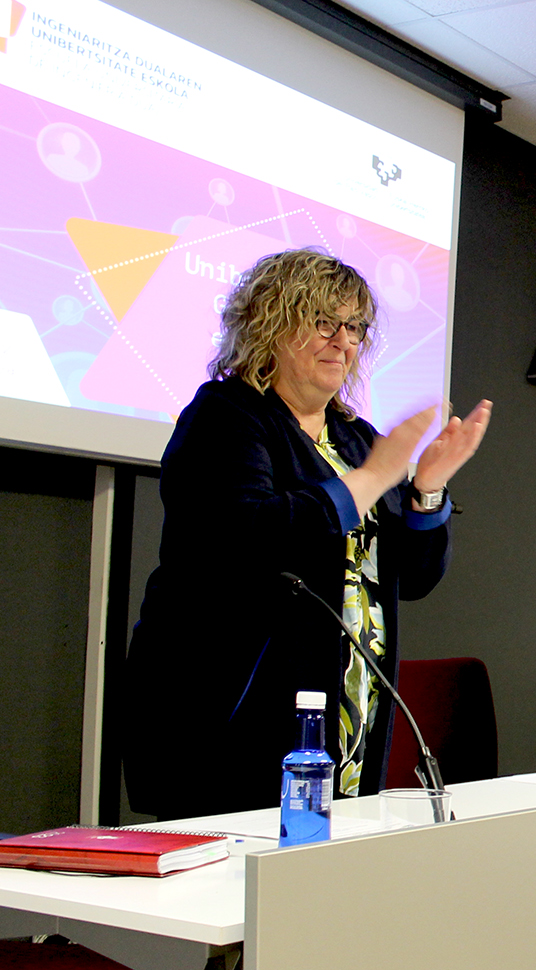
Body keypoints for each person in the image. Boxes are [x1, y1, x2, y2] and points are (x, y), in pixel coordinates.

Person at [123, 249, 491, 821]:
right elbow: (249, 538)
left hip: (347, 717)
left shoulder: (355, 438)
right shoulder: (225, 415)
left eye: (355, 327)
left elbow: (412, 578)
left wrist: (427, 489)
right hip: (233, 718)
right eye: (324, 321)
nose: (343, 342)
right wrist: (369, 480)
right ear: (270, 323)